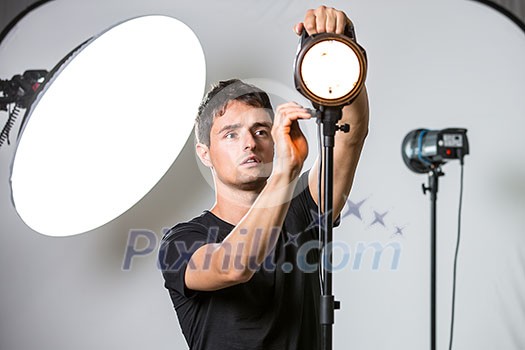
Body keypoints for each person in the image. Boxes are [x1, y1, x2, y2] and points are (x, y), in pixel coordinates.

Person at [159, 6, 369, 350]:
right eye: (230, 134)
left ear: (273, 140)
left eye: (260, 130)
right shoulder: (181, 241)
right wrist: (285, 172)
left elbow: (351, 134)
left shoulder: (302, 210)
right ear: (205, 153)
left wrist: (345, 43)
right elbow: (234, 267)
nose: (249, 142)